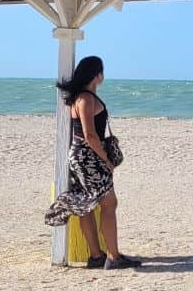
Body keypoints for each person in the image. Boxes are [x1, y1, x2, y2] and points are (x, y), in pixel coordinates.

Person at [44, 56, 141, 270]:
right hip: (89, 157)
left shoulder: (79, 97)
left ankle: (96, 255)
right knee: (109, 203)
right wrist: (105, 159)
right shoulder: (86, 99)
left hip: (79, 156)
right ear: (97, 74)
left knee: (87, 205)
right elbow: (90, 135)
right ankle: (113, 257)